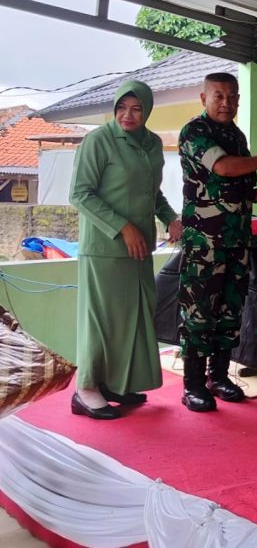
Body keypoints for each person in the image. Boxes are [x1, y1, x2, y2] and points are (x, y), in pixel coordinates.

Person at [70, 80, 181, 420]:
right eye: (121, 108)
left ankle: (115, 384)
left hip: (139, 248)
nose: (127, 115)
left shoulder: (152, 143)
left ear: (147, 111)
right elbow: (80, 194)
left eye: (136, 109)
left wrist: (170, 218)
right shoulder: (98, 141)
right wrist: (124, 227)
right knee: (101, 320)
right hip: (104, 248)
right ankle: (86, 389)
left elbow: (152, 192)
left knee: (134, 318)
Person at [178, 72, 257, 412]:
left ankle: (219, 376)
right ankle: (193, 385)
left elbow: (240, 184)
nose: (227, 102)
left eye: (232, 96)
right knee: (199, 312)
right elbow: (223, 168)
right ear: (203, 98)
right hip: (205, 243)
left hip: (236, 239)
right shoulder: (194, 131)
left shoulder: (235, 135)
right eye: (219, 96)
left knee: (230, 309)